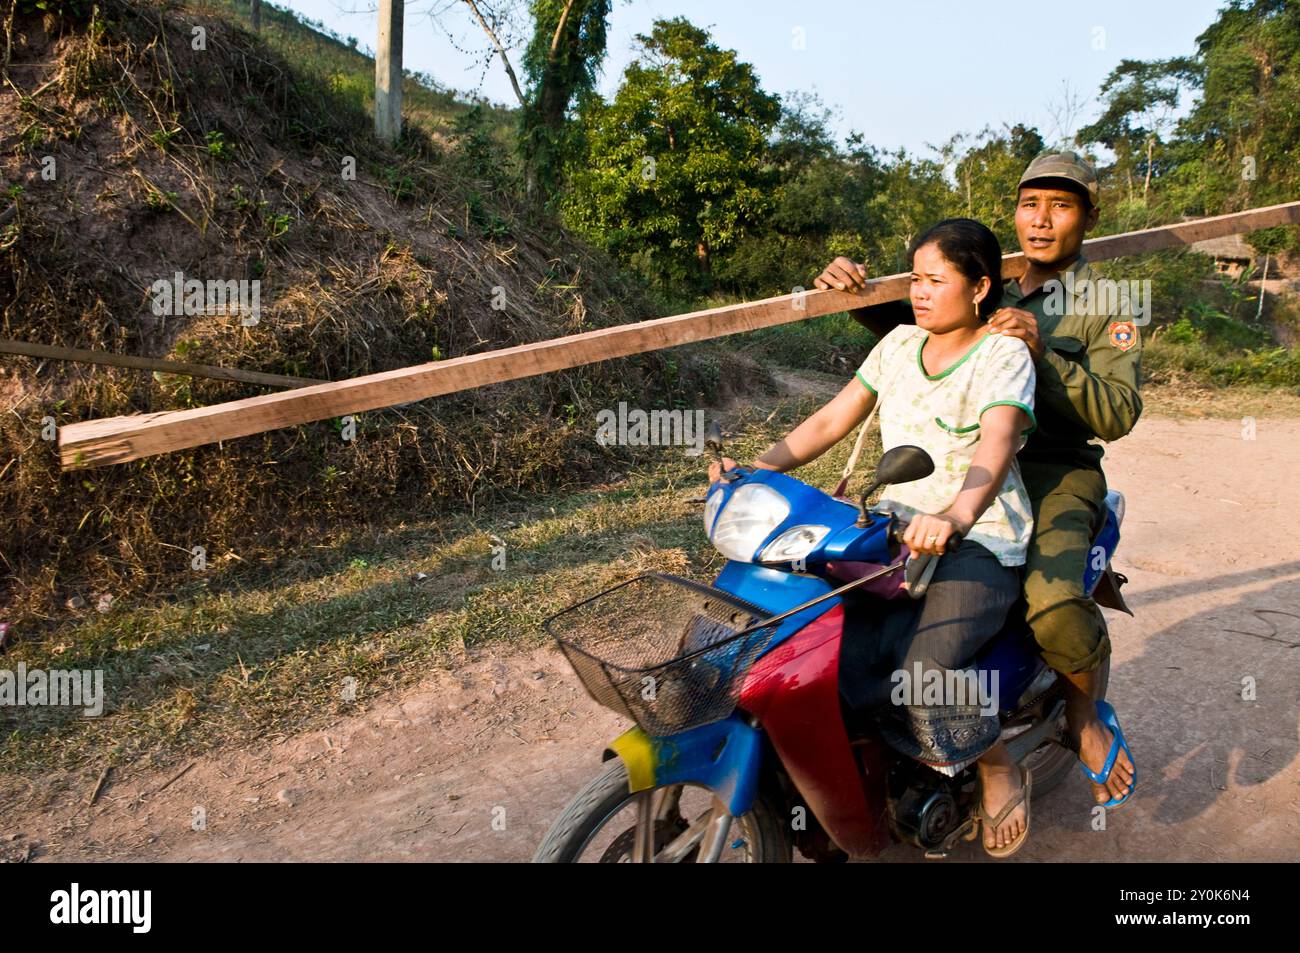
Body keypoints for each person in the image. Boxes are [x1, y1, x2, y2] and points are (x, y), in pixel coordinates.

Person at [813, 151, 1139, 810]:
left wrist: (1045, 358)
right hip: (964, 467)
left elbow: (1118, 411)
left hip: (1052, 468)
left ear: (1088, 217)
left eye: (1061, 205)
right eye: (1030, 203)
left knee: (1047, 600)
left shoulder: (1108, 302)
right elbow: (925, 330)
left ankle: (1082, 713)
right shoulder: (998, 279)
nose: (1041, 220)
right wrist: (861, 290)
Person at [711, 218, 1037, 856]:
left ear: (979, 289)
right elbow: (833, 417)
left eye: (936, 280)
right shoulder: (897, 344)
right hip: (888, 537)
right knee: (821, 652)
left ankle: (997, 765)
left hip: (977, 539)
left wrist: (957, 514)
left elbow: (995, 445)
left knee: (924, 673)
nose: (919, 292)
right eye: (914, 278)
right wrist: (758, 469)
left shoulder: (1003, 355)